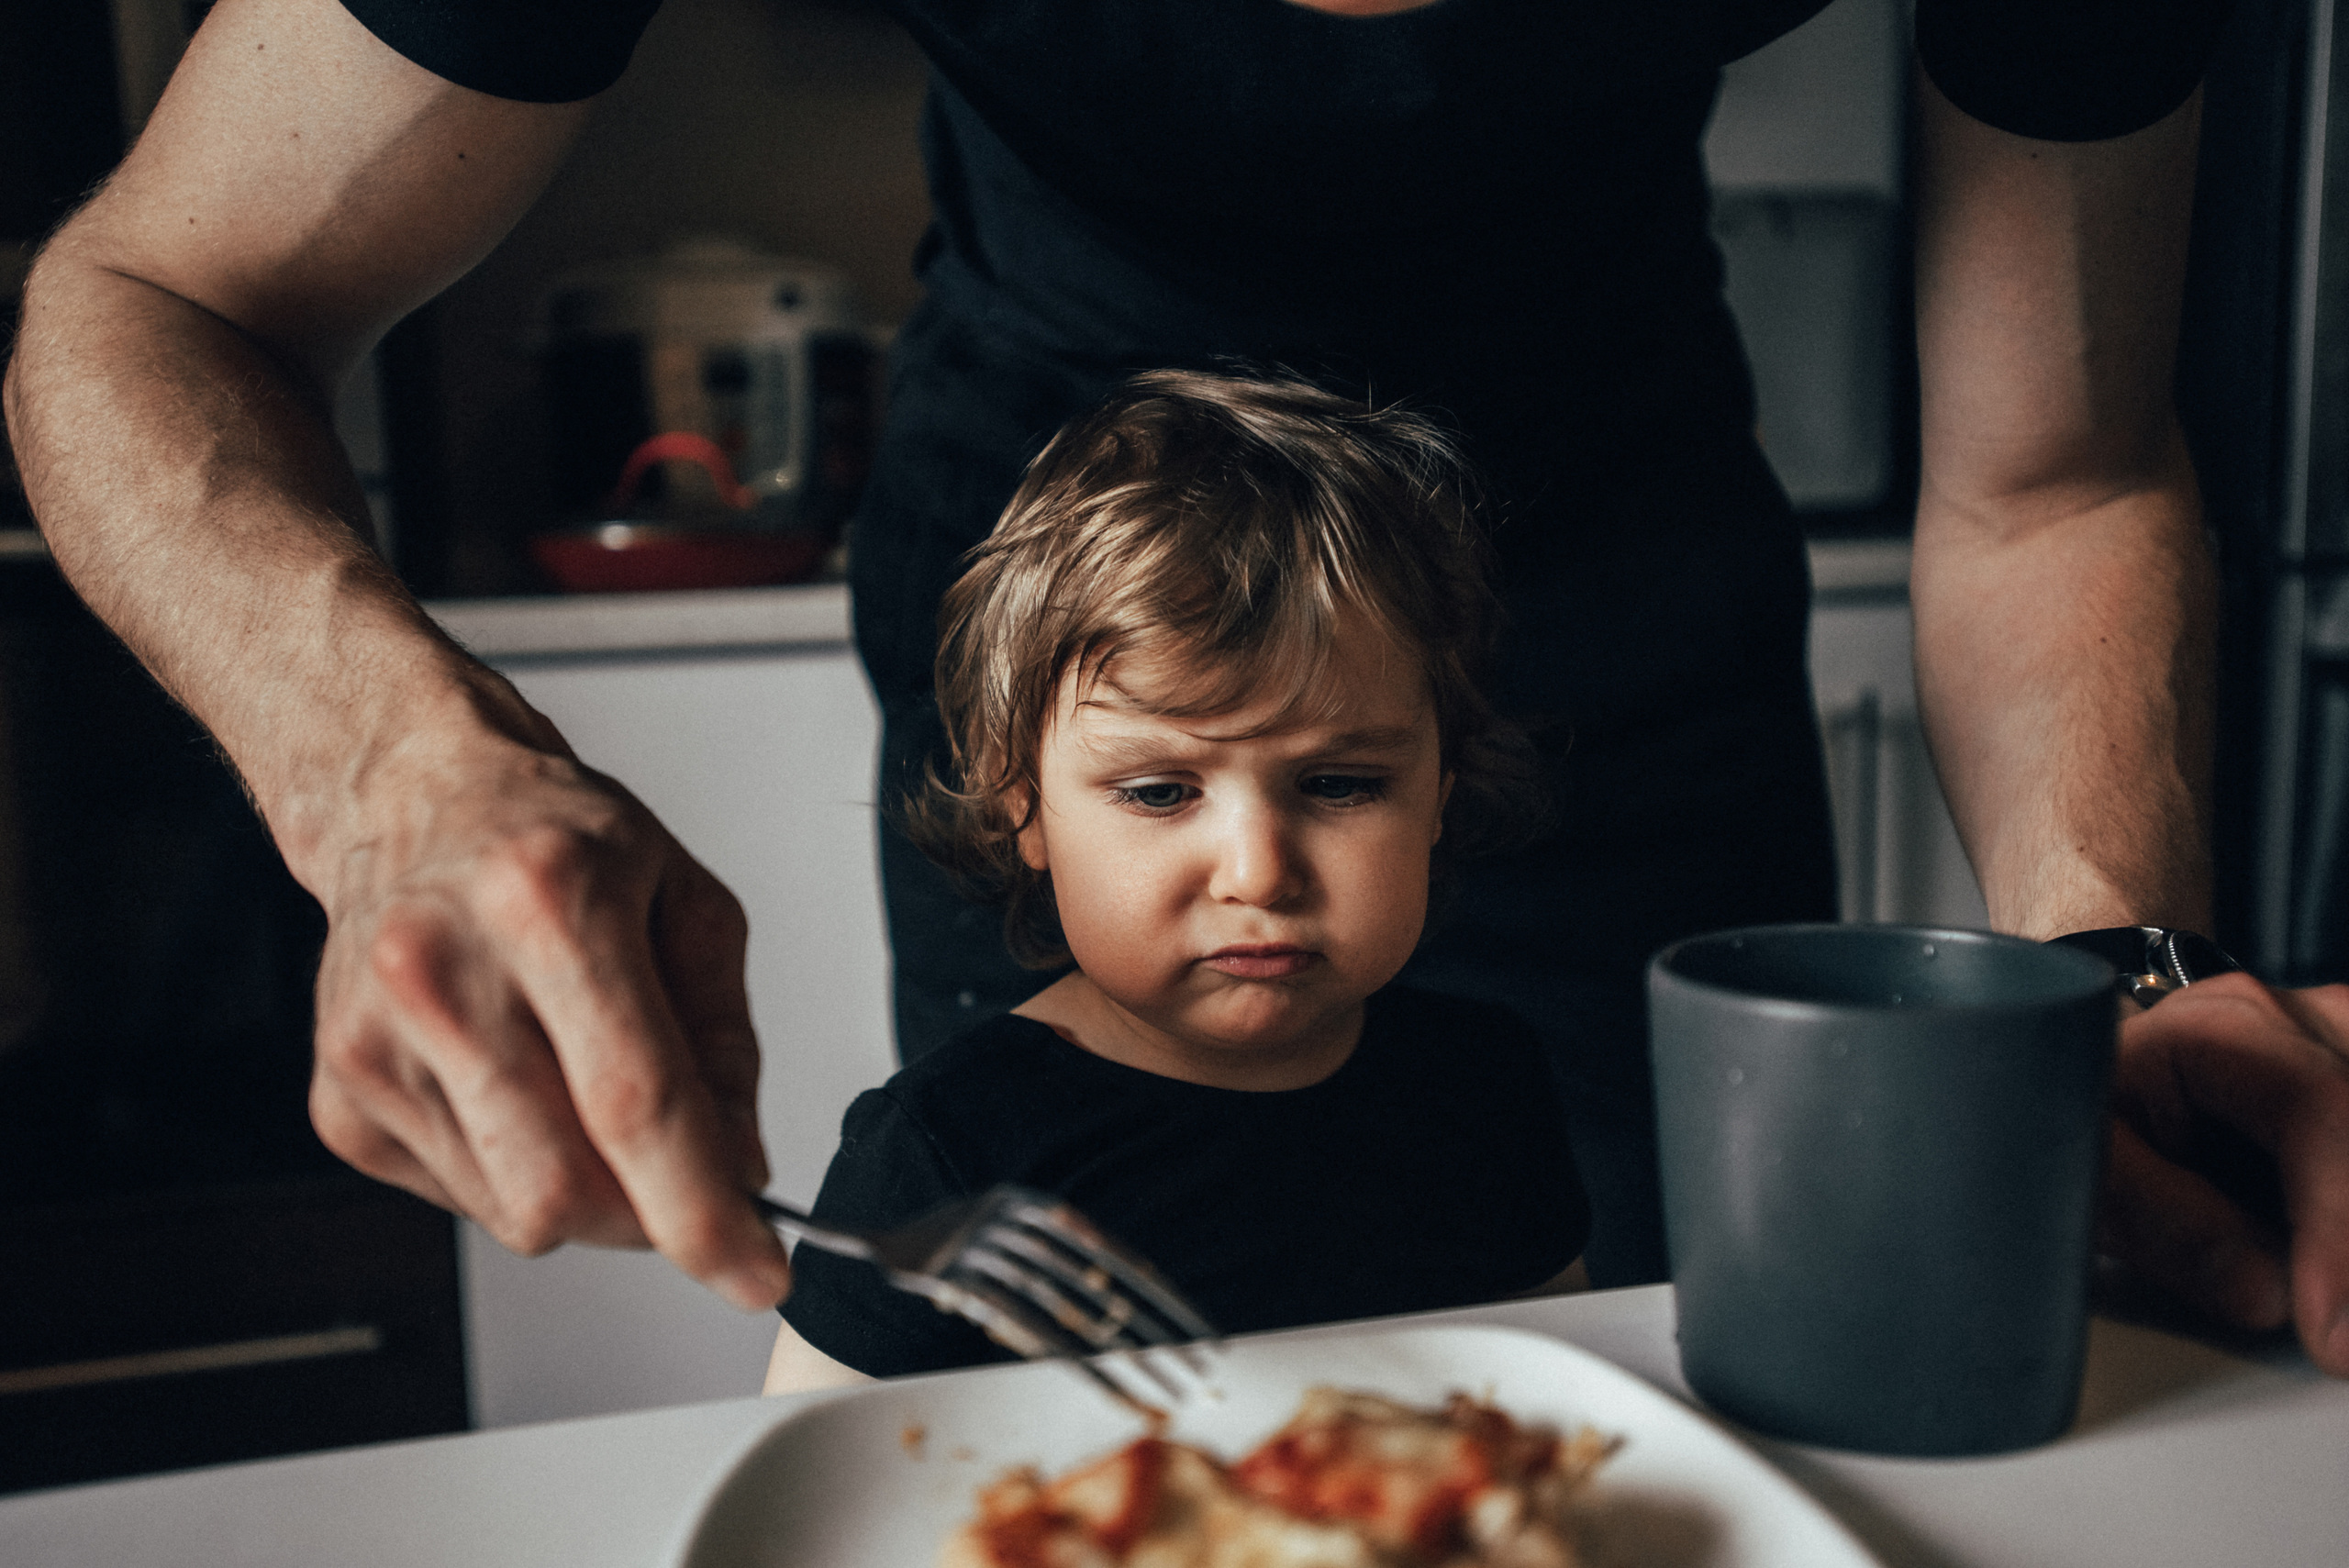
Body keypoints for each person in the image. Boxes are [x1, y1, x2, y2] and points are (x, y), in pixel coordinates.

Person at [6, 0, 2348, 1372]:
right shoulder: (979, 1070)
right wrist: (389, 764)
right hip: (1052, 558)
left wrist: (2110, 976)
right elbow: (150, 298)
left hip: (1626, 609)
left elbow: (2049, 469)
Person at [764, 370, 1586, 1392]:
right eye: (1159, 791)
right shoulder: (941, 1155)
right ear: (1023, 807)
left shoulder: (1487, 1087)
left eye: (1338, 783)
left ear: (1436, 797)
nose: (1257, 871)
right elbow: (806, 1481)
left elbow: (1562, 1409)